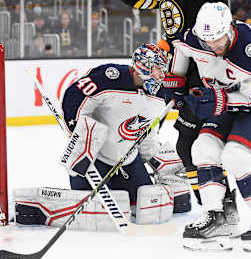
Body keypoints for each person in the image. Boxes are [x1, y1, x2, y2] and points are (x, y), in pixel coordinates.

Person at [111, 0, 231, 212]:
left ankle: (220, 206)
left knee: (201, 145)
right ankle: (216, 206)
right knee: (187, 144)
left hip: (209, 75)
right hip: (179, 72)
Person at [14, 44, 187, 229]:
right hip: (94, 158)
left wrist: (149, 154)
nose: (162, 75)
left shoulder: (160, 93)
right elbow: (74, 96)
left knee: (146, 207)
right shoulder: (110, 77)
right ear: (143, 65)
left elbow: (148, 128)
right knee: (95, 212)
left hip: (127, 159)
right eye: (158, 69)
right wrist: (77, 134)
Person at [169, 2, 251, 252]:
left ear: (230, 28)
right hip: (226, 99)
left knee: (234, 156)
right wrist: (176, 83)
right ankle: (218, 217)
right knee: (202, 148)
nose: (214, 47)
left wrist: (217, 101)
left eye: (219, 40)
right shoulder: (197, 39)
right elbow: (180, 47)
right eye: (208, 42)